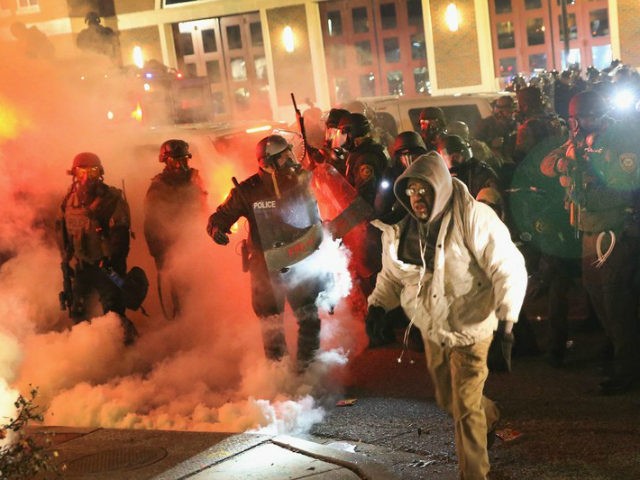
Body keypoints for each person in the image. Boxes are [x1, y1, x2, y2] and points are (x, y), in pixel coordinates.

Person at [365, 152, 528, 479]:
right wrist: (377, 306)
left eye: (423, 190)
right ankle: (490, 413)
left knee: (465, 408)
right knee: (452, 399)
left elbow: (508, 269)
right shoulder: (402, 229)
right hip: (434, 327)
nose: (416, 198)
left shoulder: (474, 217)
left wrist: (506, 325)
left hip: (472, 326)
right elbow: (393, 276)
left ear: (439, 187)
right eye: (410, 191)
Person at [541, 90, 640, 393]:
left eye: (591, 116)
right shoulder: (579, 142)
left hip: (614, 231)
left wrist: (586, 190)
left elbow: (623, 188)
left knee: (617, 305)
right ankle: (620, 357)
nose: (587, 122)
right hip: (589, 233)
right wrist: (565, 165)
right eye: (582, 117)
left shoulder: (620, 141)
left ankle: (628, 371)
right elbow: (546, 164)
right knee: (597, 297)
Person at [206, 134, 325, 371]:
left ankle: (309, 371)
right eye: (283, 157)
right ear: (267, 162)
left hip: (299, 258)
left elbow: (314, 215)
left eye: (289, 154)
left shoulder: (299, 181)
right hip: (265, 265)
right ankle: (279, 377)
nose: (290, 160)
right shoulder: (247, 190)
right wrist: (216, 229)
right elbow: (219, 217)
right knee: (271, 325)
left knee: (309, 317)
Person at [55, 152, 138, 345]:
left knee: (114, 315)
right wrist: (65, 261)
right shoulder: (69, 200)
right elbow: (62, 231)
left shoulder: (111, 199)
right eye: (81, 173)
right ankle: (88, 355)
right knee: (78, 313)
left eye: (91, 173)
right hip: (82, 267)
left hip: (107, 268)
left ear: (99, 173)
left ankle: (126, 355)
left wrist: (112, 263)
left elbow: (120, 235)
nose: (86, 178)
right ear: (74, 174)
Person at [144, 139, 207, 319]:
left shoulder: (195, 179)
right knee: (181, 294)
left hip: (197, 244)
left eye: (184, 159)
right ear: (166, 161)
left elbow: (204, 206)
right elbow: (151, 223)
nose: (180, 165)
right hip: (174, 248)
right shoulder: (158, 187)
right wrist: (158, 253)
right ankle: (184, 327)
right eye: (175, 160)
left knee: (200, 290)